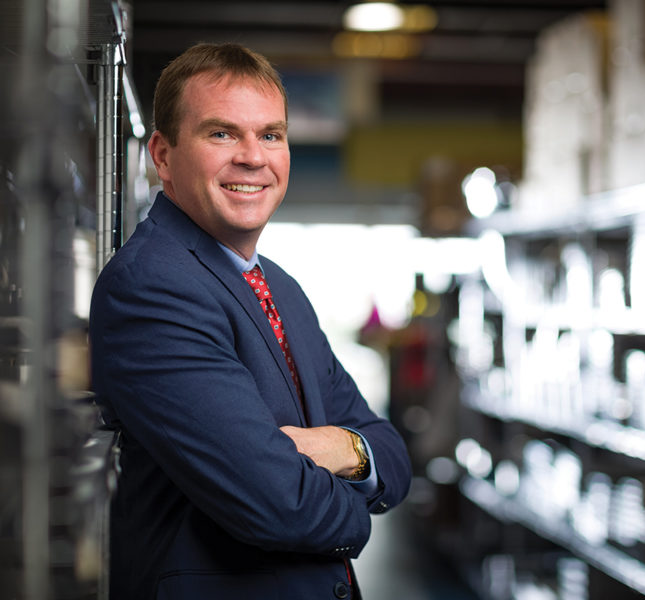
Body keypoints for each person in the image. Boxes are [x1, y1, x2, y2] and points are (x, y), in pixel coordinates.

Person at [89, 43, 412, 600]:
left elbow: (394, 454)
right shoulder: (151, 287)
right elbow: (279, 505)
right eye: (221, 133)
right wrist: (359, 509)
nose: (252, 157)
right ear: (162, 155)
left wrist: (343, 449)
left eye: (270, 134)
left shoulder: (280, 287)